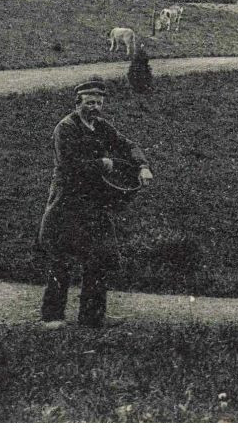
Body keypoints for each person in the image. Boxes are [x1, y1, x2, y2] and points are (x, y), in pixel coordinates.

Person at [36, 79, 153, 329]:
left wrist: (142, 166)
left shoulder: (100, 126)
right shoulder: (65, 128)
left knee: (101, 256)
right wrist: (101, 163)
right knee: (62, 258)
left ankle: (92, 316)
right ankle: (52, 316)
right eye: (90, 102)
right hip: (67, 200)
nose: (95, 107)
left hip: (94, 202)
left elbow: (127, 144)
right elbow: (69, 166)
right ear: (78, 103)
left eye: (99, 102)